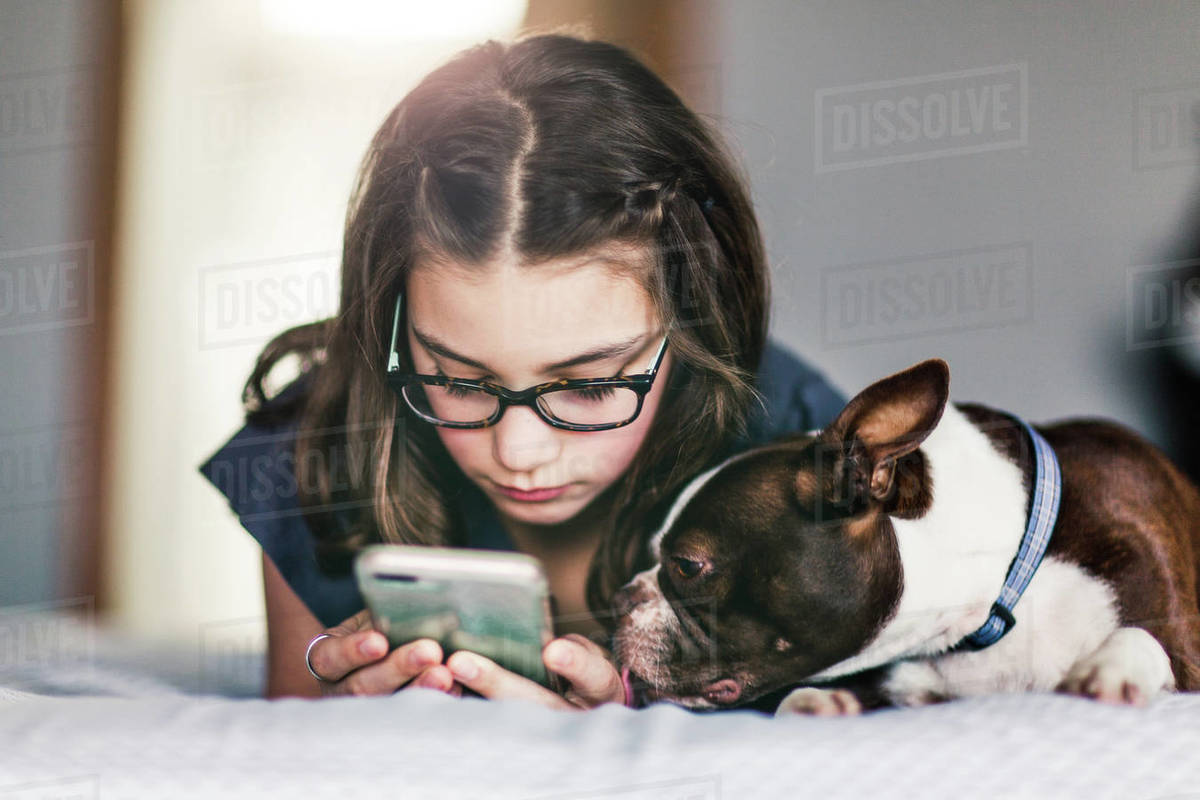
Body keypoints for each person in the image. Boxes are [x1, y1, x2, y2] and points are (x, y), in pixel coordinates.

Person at [200, 32, 846, 709]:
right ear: (389, 324)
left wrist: (626, 742)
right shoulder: (322, 445)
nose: (517, 452)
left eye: (593, 385)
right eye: (456, 381)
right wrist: (337, 722)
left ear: (692, 328)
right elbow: (288, 729)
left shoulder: (799, 443)